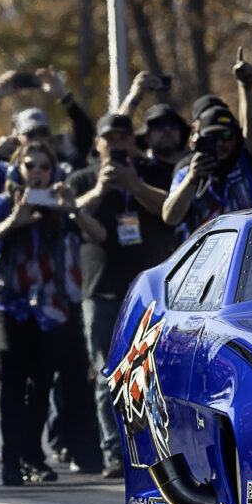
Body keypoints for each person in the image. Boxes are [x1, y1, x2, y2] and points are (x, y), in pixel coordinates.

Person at [0, 142, 105, 485]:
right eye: (30, 165)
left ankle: (32, 456)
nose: (36, 171)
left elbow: (99, 235)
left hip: (49, 307)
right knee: (13, 378)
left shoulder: (60, 205)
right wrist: (13, 222)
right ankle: (12, 461)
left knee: (42, 383)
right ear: (19, 169)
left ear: (53, 171)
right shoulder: (5, 202)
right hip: (5, 301)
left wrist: (73, 209)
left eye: (44, 166)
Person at [68, 113, 176, 478]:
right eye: (108, 138)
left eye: (123, 137)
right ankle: (115, 453)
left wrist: (136, 185)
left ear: (134, 141)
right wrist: (100, 190)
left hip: (148, 290)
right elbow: (66, 213)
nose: (116, 144)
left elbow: (173, 211)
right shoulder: (84, 177)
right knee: (106, 372)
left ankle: (154, 450)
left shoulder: (153, 171)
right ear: (97, 144)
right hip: (100, 289)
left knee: (152, 371)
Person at [162, 49, 252, 231]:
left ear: (236, 139)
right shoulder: (187, 171)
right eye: (211, 138)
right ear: (196, 140)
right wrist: (192, 180)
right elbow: (170, 217)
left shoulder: (248, 163)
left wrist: (248, 87)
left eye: (226, 136)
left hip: (250, 257)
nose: (220, 143)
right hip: (205, 259)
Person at [0, 67, 94, 199]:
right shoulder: (3, 171)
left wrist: (64, 97)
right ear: (16, 137)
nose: (37, 138)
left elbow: (86, 134)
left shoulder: (63, 165)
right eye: (30, 134)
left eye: (43, 132)